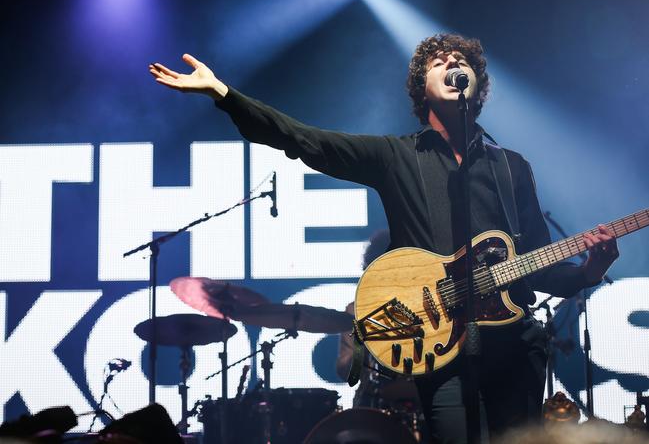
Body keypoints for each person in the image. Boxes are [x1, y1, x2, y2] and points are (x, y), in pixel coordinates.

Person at [149, 33, 619, 443]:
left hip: (514, 351)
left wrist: (588, 272)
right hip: (438, 347)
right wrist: (225, 94)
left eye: (462, 60)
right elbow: (305, 139)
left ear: (476, 82)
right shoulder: (397, 157)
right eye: (439, 62)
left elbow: (537, 262)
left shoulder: (511, 166)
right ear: (422, 89)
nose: (453, 64)